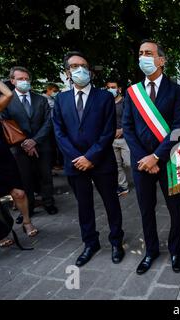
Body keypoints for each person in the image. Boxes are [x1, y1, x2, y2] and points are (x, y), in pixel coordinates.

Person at [53, 51, 125, 267]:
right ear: (67, 72)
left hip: (101, 161)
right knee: (84, 206)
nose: (80, 70)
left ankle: (116, 242)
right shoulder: (61, 99)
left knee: (111, 203)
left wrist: (91, 157)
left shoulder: (104, 97)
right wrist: (78, 158)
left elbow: (107, 131)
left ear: (90, 71)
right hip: (75, 164)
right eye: (74, 66)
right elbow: (59, 132)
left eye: (83, 65)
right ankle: (90, 243)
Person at [122, 39, 180, 274]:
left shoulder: (176, 90)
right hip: (141, 163)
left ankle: (175, 249)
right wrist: (145, 159)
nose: (143, 57)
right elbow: (127, 127)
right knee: (146, 208)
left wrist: (156, 157)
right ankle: (150, 251)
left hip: (170, 161)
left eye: (148, 53)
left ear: (161, 60)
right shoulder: (133, 92)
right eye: (140, 53)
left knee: (175, 209)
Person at [2, 66, 58, 223]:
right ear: (12, 81)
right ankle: (29, 207)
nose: (24, 82)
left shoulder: (41, 99)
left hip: (42, 145)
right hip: (19, 148)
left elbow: (49, 121)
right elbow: (7, 124)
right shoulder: (7, 100)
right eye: (20, 79)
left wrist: (35, 140)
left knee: (46, 175)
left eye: (27, 79)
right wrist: (24, 142)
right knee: (24, 178)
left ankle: (49, 202)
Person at [0, 80, 38, 247]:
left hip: (2, 158)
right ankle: (0, 233)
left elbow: (8, 94)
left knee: (19, 193)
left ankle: (27, 222)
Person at [105, 80, 130, 197]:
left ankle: (144, 182)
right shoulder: (106, 103)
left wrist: (123, 130)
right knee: (117, 165)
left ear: (119, 89)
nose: (111, 89)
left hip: (126, 139)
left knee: (130, 163)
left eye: (113, 87)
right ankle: (123, 187)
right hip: (112, 139)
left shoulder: (126, 102)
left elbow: (132, 118)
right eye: (108, 87)